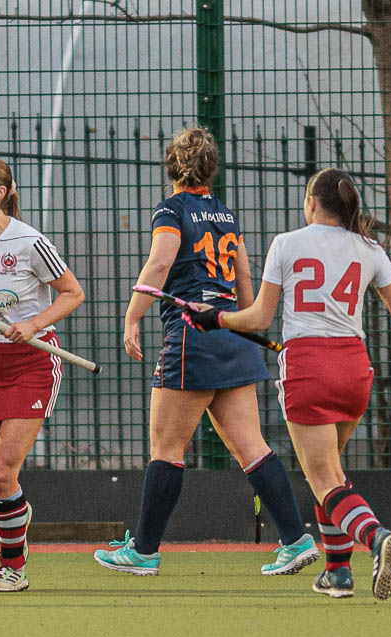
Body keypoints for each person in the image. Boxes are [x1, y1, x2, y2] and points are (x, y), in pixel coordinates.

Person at [185, 167, 391, 600]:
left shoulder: (287, 243)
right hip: (354, 369)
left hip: (309, 368)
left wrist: (215, 318)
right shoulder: (370, 249)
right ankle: (337, 573)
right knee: (330, 473)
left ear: (312, 202)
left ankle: (376, 536)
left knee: (324, 477)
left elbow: (259, 317)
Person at [94, 126, 319, 577]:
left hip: (192, 335)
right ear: (212, 168)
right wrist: (243, 318)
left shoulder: (171, 209)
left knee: (166, 447)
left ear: (171, 168)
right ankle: (296, 540)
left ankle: (143, 551)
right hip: (231, 331)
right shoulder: (226, 215)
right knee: (253, 447)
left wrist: (132, 315)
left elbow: (160, 262)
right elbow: (244, 277)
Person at [0, 156, 84, 591]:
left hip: (31, 362)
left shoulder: (30, 242)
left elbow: (73, 293)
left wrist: (33, 323)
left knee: (3, 470)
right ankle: (15, 511)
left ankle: (12, 568)